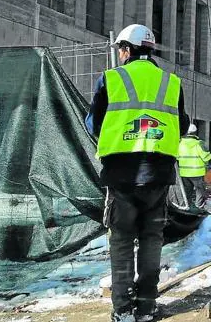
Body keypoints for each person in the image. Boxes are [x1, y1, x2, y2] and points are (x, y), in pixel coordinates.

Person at [85, 24, 189, 322]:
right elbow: (181, 126)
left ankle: (122, 310)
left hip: (121, 176)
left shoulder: (112, 78)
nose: (120, 54)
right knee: (151, 240)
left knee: (120, 240)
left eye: (121, 49)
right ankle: (146, 307)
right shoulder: (171, 82)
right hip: (158, 175)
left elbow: (93, 125)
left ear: (127, 49)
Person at [178, 124, 211, 212]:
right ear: (195, 132)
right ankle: (199, 206)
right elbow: (207, 157)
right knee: (199, 190)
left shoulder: (179, 143)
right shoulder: (199, 143)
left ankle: (186, 206)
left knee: (187, 190)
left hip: (183, 173)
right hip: (197, 173)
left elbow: (177, 157)